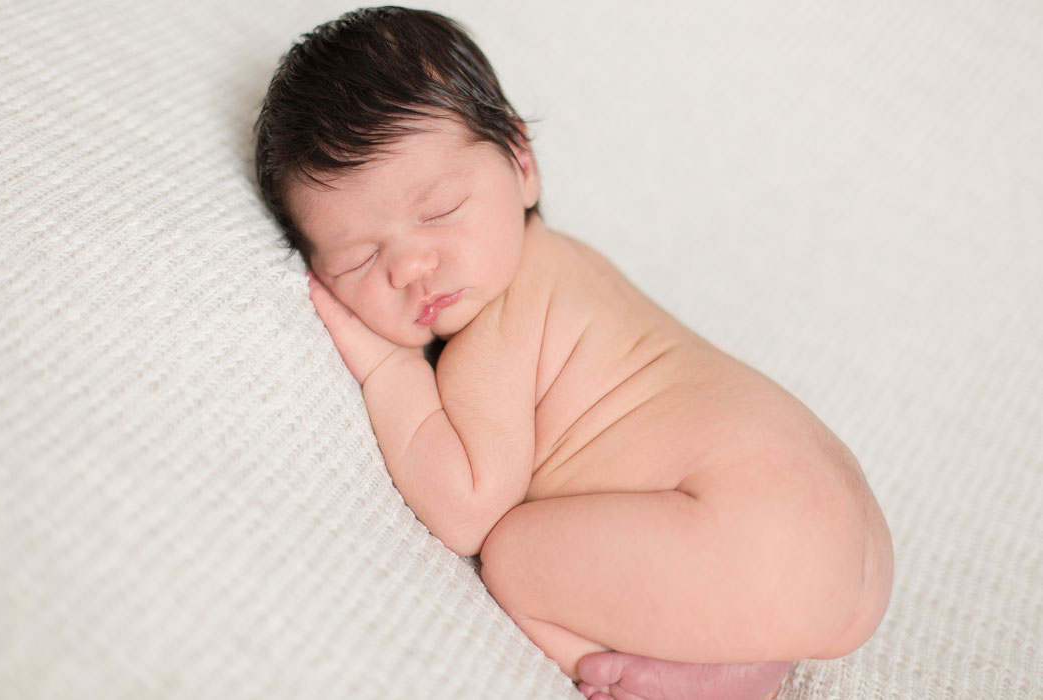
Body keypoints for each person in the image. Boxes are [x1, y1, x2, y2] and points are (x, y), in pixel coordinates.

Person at [254, 7, 893, 700]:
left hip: (761, 537)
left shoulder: (503, 322)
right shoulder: (572, 269)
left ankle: (689, 674)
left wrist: (386, 367)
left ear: (522, 164)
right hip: (852, 541)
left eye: (438, 211)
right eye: (360, 257)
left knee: (514, 556)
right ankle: (734, 649)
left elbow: (467, 505)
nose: (411, 267)